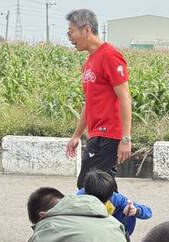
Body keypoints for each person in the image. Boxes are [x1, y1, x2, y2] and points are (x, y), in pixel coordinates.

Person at [64, 9, 132, 188]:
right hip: (96, 134)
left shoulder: (110, 56)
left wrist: (125, 138)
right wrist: (77, 135)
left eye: (71, 32)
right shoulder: (89, 62)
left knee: (89, 185)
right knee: (100, 188)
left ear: (86, 29)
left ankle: (131, 211)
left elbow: (124, 97)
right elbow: (90, 102)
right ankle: (128, 212)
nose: (69, 37)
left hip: (110, 134)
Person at [76, 169, 152, 235]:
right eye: (99, 203)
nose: (102, 205)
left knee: (128, 210)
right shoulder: (77, 200)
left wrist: (136, 211)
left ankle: (121, 239)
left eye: (104, 202)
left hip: (108, 230)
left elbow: (148, 212)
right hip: (85, 229)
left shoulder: (114, 197)